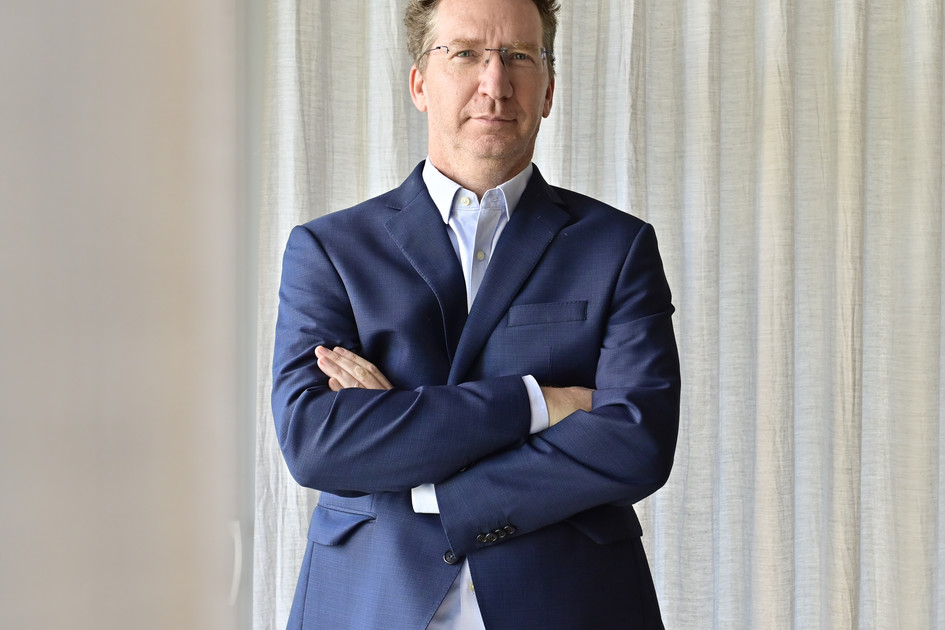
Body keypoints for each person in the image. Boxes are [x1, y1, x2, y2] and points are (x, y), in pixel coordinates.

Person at [270, 0, 681, 627]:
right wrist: (539, 404)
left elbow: (637, 441)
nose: (495, 83)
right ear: (419, 83)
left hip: (570, 604)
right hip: (370, 601)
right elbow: (315, 441)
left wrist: (411, 451)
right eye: (466, 54)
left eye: (519, 56)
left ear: (549, 88)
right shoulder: (330, 250)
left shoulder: (617, 247)